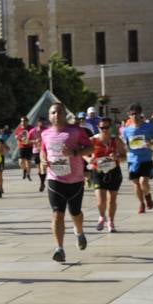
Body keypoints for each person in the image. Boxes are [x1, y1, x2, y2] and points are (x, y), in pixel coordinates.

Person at [38, 101, 93, 263]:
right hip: (55, 178)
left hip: (75, 179)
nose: (56, 115)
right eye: (53, 113)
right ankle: (59, 248)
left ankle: (79, 231)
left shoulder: (76, 131)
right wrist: (42, 160)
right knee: (57, 213)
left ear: (64, 114)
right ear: (49, 116)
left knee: (75, 213)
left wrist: (74, 152)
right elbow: (43, 150)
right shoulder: (45, 133)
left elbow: (90, 148)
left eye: (59, 112)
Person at [90, 117, 126, 232]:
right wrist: (88, 160)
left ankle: (111, 221)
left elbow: (124, 156)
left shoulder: (116, 140)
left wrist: (117, 157)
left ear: (110, 128)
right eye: (101, 128)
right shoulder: (92, 140)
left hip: (114, 172)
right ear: (98, 128)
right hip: (98, 172)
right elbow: (83, 153)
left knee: (112, 200)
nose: (104, 130)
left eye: (106, 127)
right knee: (101, 201)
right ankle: (101, 216)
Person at [122, 111, 153, 214]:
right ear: (129, 116)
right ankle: (141, 203)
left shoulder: (148, 126)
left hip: (146, 159)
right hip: (132, 160)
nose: (134, 116)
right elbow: (125, 144)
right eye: (132, 114)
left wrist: (152, 143)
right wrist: (126, 147)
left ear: (140, 115)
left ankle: (147, 196)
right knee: (136, 184)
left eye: (136, 114)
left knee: (143, 182)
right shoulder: (126, 130)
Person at [15, 117, 34, 181]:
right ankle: (24, 170)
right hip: (21, 146)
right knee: (20, 162)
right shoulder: (18, 128)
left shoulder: (31, 128)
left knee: (28, 161)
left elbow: (34, 136)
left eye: (24, 121)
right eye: (22, 121)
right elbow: (16, 136)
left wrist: (30, 140)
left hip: (29, 146)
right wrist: (18, 138)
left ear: (27, 122)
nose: (23, 122)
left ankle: (28, 174)